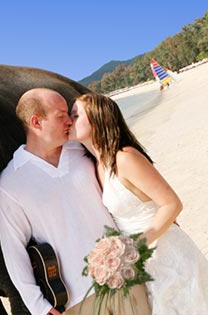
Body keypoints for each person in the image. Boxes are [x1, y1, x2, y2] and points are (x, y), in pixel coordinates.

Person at [0, 88, 151, 315]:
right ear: (36, 122)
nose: (70, 121)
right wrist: (38, 305)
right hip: (76, 300)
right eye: (61, 116)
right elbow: (13, 250)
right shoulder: (10, 184)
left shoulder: (83, 150)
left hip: (125, 276)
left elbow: (126, 182)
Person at [69, 92, 208, 314]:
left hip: (166, 253)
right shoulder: (97, 166)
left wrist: (134, 247)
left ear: (96, 118)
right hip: (143, 264)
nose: (69, 120)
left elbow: (172, 204)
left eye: (75, 115)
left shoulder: (124, 157)